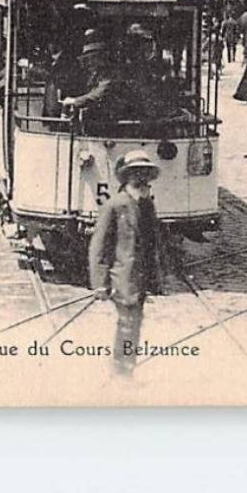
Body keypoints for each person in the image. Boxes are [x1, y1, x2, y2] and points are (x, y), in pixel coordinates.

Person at [89, 150, 167, 375]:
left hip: (141, 279)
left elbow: (153, 243)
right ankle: (121, 371)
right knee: (127, 324)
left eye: (145, 174)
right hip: (122, 279)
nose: (142, 180)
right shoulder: (114, 206)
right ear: (126, 178)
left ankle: (125, 369)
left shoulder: (147, 206)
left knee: (133, 324)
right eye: (136, 174)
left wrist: (157, 276)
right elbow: (99, 247)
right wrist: (100, 284)